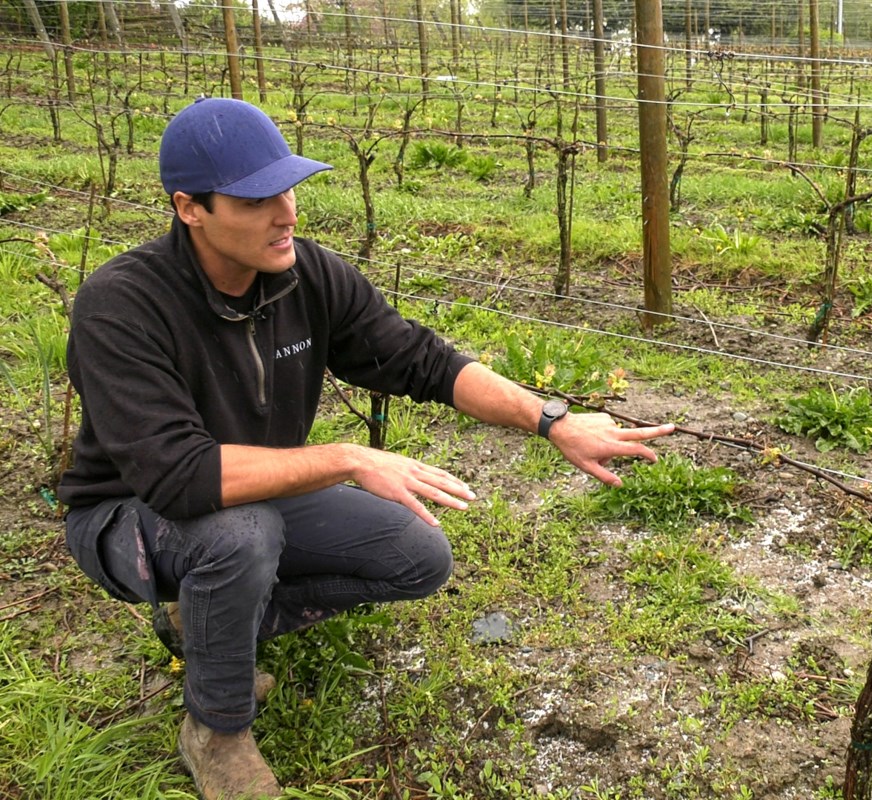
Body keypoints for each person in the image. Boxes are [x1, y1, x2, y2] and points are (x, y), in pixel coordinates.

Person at [58, 96, 674, 800]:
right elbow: (179, 476)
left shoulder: (305, 276)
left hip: (253, 497)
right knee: (239, 535)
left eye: (287, 187)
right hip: (126, 516)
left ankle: (213, 624)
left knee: (417, 553)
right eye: (256, 199)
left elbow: (422, 361)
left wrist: (552, 420)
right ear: (190, 207)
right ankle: (216, 729)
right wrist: (350, 457)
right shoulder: (123, 305)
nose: (286, 212)